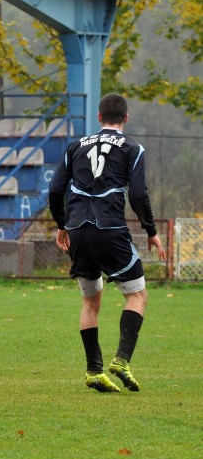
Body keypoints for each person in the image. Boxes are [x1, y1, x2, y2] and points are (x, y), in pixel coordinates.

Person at [48, 93, 167, 393]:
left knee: (90, 301)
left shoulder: (75, 146)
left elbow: (55, 189)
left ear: (98, 118)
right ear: (126, 118)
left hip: (77, 231)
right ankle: (122, 360)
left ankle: (93, 371)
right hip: (109, 229)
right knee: (138, 296)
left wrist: (62, 224)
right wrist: (151, 230)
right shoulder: (132, 148)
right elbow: (138, 194)